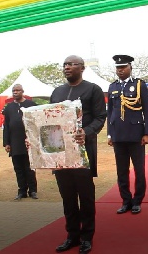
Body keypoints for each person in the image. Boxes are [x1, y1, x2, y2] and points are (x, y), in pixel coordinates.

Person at [50, 55, 106, 254]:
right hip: (60, 153)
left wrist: (87, 132)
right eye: (64, 64)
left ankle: (87, 237)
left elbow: (100, 117)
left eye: (71, 64)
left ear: (81, 68)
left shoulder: (93, 89)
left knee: (86, 196)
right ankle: (72, 236)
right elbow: (48, 120)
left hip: (83, 152)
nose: (66, 67)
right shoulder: (57, 92)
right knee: (68, 197)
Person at [107, 55, 148, 215]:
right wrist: (109, 134)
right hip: (118, 135)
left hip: (136, 135)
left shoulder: (139, 85)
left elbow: (147, 110)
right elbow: (110, 112)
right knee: (121, 171)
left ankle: (137, 201)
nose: (120, 70)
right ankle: (126, 201)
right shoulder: (112, 87)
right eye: (118, 68)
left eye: (123, 67)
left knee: (139, 170)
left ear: (130, 68)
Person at [3, 84, 38, 200]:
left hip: (29, 141)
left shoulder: (31, 105)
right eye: (13, 91)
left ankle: (32, 191)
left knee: (29, 167)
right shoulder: (9, 108)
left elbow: (37, 122)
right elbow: (6, 126)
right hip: (14, 142)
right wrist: (6, 143)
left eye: (18, 90)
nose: (15, 92)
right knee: (18, 168)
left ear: (23, 91)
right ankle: (21, 191)